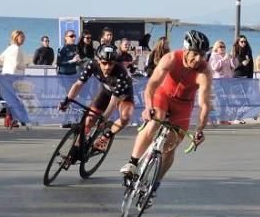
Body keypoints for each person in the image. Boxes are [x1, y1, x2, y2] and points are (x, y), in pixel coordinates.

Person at [119, 31, 212, 185]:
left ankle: (154, 184)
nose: (198, 59)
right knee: (155, 121)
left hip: (184, 105)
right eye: (194, 54)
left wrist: (200, 130)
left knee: (171, 146)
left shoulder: (205, 71)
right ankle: (133, 162)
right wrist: (148, 107)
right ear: (186, 50)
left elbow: (204, 105)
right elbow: (152, 85)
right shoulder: (170, 59)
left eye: (202, 55)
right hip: (163, 96)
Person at [60, 46, 135, 153]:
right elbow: (78, 84)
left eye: (111, 64)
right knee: (89, 120)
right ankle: (76, 148)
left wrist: (104, 119)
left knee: (125, 117)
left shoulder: (121, 72)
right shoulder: (92, 64)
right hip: (106, 90)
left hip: (124, 95)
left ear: (115, 63)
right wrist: (67, 100)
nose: (107, 67)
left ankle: (106, 137)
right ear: (98, 61)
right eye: (104, 63)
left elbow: (114, 102)